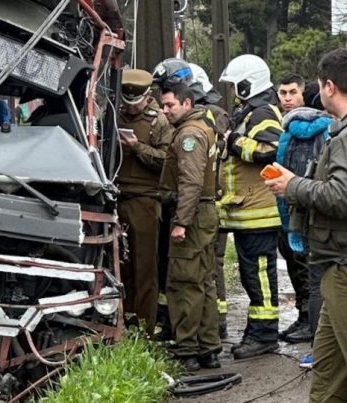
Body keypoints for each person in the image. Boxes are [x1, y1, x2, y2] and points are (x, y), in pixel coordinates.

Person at [264, 48, 347, 402]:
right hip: (338, 266)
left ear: (328, 86)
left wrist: (293, 186)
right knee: (328, 383)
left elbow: (344, 196)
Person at [218, 54, 283, 359]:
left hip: (259, 212)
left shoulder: (262, 113)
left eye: (235, 85)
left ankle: (265, 334)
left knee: (259, 276)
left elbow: (272, 149)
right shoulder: (249, 112)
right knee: (251, 276)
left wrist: (235, 143)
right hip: (247, 211)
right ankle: (256, 331)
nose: (233, 91)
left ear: (248, 83)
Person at [159, 83, 221, 372]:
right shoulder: (201, 127)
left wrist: (181, 222)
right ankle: (208, 349)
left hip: (193, 215)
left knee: (184, 283)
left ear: (186, 103)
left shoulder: (189, 134)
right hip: (203, 213)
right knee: (203, 282)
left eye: (170, 105)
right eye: (163, 105)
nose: (165, 110)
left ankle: (187, 350)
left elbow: (191, 181)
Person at [116, 69, 174, 336]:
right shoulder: (113, 116)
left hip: (146, 201)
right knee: (121, 267)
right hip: (117, 198)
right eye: (126, 102)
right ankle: (123, 320)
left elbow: (166, 161)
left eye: (135, 102)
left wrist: (137, 147)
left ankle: (145, 326)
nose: (130, 108)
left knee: (144, 268)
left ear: (147, 95)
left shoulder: (159, 121)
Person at [189, 62, 231, 339]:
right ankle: (215, 322)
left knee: (211, 263)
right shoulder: (215, 114)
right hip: (213, 200)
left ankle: (216, 322)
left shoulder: (211, 117)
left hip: (211, 201)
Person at [274, 75, 315, 345]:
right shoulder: (285, 125)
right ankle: (303, 315)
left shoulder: (308, 128)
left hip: (302, 205)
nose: (287, 98)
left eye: (292, 93)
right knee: (294, 265)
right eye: (283, 93)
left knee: (305, 267)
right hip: (285, 207)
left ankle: (309, 319)